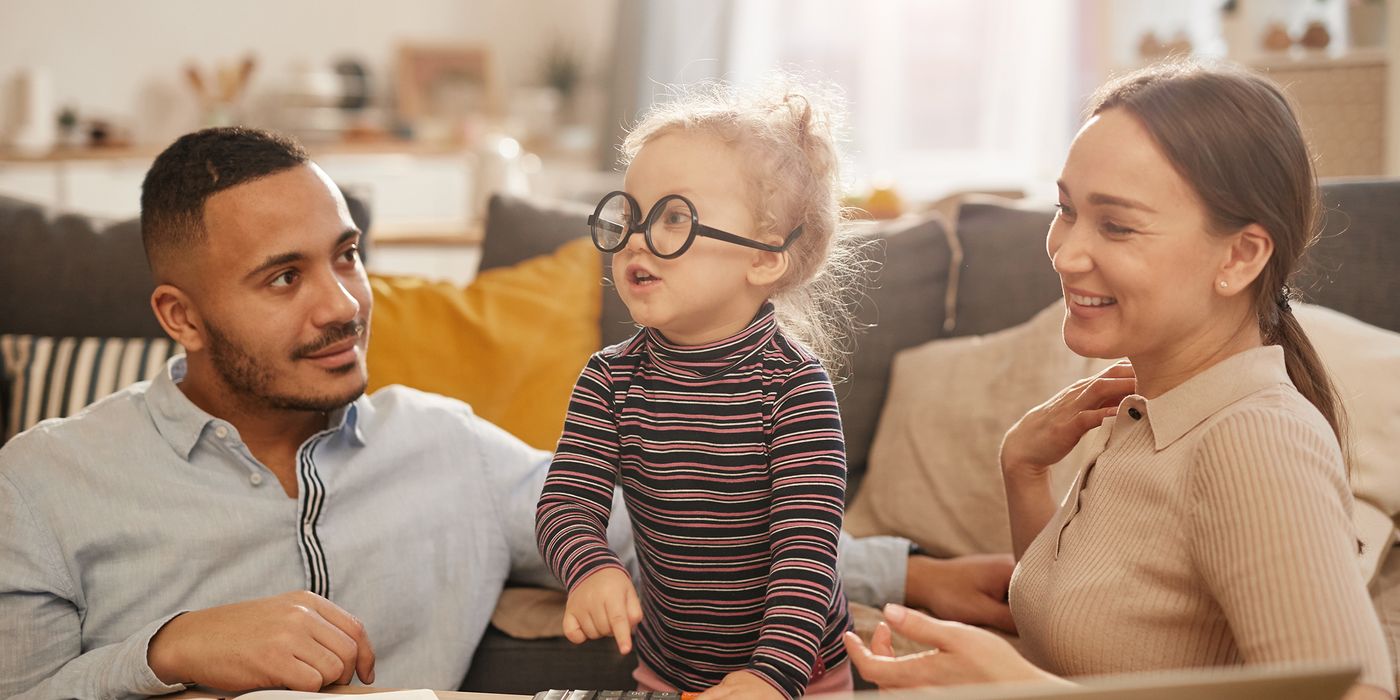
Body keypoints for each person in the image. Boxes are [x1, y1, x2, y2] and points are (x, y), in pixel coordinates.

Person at [0, 126, 1011, 700]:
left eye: (348, 256)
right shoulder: (46, 480)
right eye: (281, 278)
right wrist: (166, 648)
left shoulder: (442, 445)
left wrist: (912, 570)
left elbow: (682, 532)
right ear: (180, 315)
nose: (343, 304)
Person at [843, 60, 1395, 699]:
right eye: (1066, 209)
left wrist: (1020, 688)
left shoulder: (1255, 439)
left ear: (1240, 256)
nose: (1065, 252)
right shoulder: (1152, 410)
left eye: (1117, 225)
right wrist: (1022, 474)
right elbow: (1092, 640)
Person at [535, 82, 865, 700]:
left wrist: (769, 677)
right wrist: (591, 568)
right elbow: (564, 507)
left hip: (798, 678)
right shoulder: (609, 380)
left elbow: (807, 558)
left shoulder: (796, 391)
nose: (636, 237)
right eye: (630, 214)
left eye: (674, 218)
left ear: (765, 258)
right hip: (666, 671)